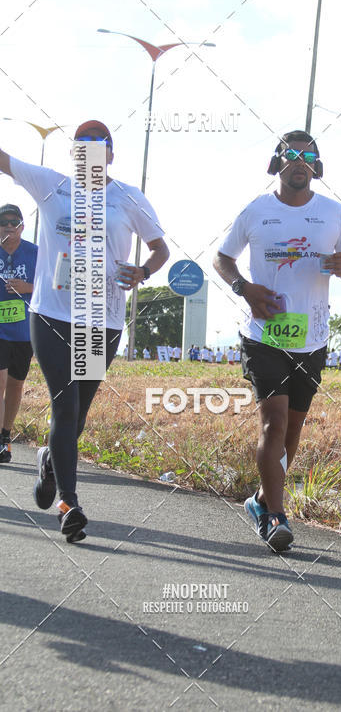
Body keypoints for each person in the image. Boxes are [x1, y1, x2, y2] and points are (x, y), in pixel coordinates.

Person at [0, 121, 169, 541]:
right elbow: (4, 162)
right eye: (83, 145)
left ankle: (50, 463)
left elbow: (159, 247)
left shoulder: (128, 198)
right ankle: (68, 502)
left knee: (77, 413)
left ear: (111, 154)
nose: (91, 151)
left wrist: (143, 271)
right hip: (52, 316)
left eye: (100, 144)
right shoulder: (51, 185)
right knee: (64, 402)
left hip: (100, 320)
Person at [214, 130, 341, 552]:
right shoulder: (256, 211)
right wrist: (244, 288)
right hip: (263, 332)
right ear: (277, 162)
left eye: (308, 155)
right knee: (274, 423)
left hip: (312, 336)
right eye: (291, 154)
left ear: (316, 166)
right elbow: (222, 257)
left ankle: (262, 501)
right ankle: (277, 518)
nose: (300, 161)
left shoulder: (333, 214)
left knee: (294, 429)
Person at [0, 204, 37, 464]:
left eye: (14, 222)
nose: (9, 226)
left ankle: (5, 435)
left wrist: (27, 287)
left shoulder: (36, 253)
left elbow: (56, 285)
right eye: (4, 222)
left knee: (15, 385)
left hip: (25, 331)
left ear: (22, 227)